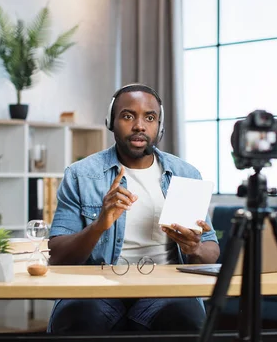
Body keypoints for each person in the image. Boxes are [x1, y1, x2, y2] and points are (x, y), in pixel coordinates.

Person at [47, 83, 220, 334]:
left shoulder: (186, 174)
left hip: (165, 288)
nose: (139, 125)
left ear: (159, 127)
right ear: (111, 122)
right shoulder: (81, 175)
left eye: (150, 117)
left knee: (186, 320)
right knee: (77, 319)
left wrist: (194, 248)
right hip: (97, 288)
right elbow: (58, 256)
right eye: (128, 116)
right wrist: (99, 226)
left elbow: (211, 251)